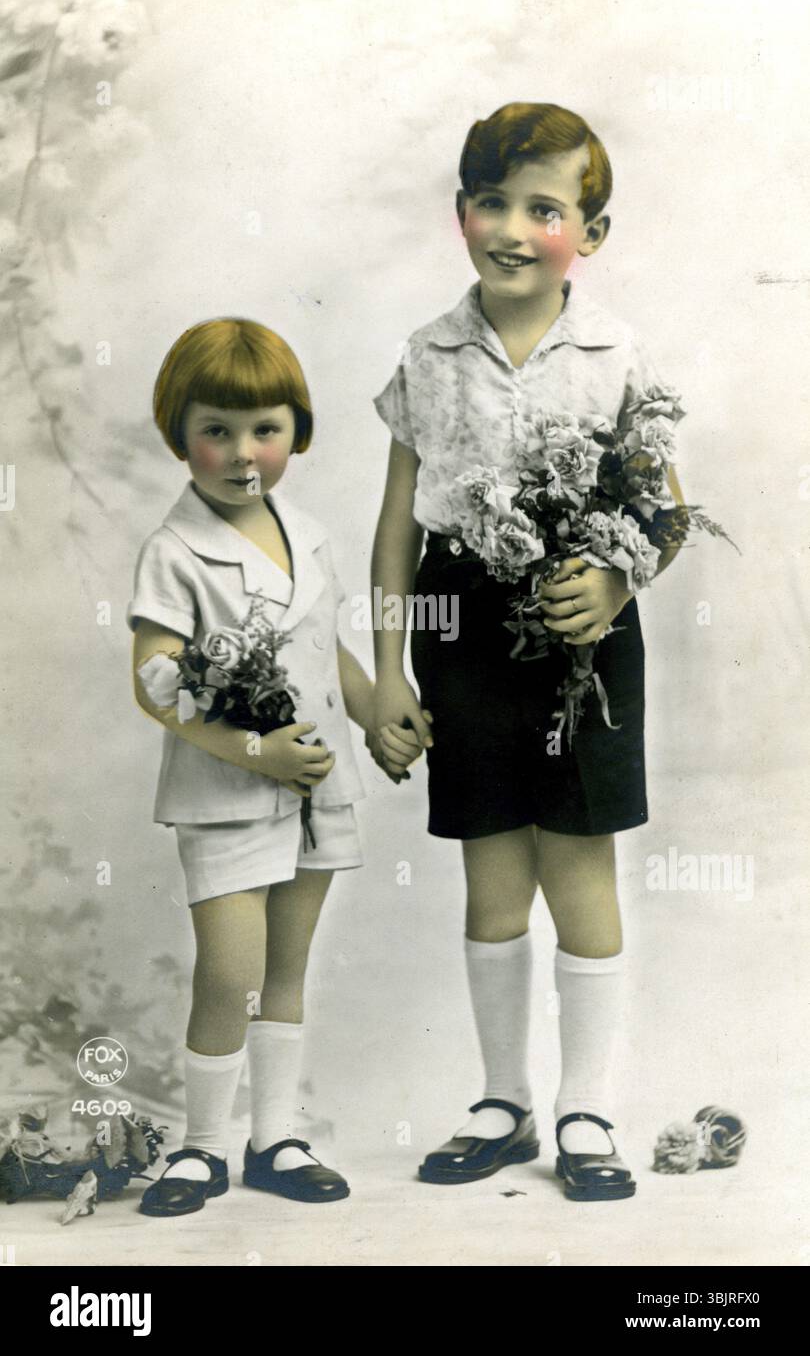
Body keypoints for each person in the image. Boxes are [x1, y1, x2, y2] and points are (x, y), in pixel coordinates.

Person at [370, 102, 687, 1200]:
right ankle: (502, 1099)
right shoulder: (428, 354)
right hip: (465, 629)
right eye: (492, 202)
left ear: (588, 234)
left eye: (544, 209)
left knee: (579, 870)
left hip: (583, 636)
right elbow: (398, 529)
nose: (513, 227)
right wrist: (388, 674)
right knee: (493, 872)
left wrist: (612, 577)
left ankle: (585, 1107)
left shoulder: (617, 355)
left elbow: (668, 513)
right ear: (461, 214)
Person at [128, 317, 422, 1216]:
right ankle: (202, 1147)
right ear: (180, 434)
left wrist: (379, 711)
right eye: (215, 430)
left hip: (316, 786)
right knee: (231, 970)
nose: (243, 454)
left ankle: (275, 1139)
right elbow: (154, 684)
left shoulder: (308, 531)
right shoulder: (176, 551)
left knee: (286, 968)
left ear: (299, 430)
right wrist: (250, 749)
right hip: (224, 792)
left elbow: (324, 648)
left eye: (267, 430)